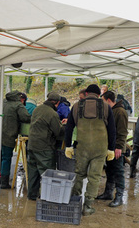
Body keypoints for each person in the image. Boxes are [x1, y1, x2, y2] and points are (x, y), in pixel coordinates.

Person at [64, 84, 116, 216]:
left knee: (79, 174)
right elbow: (112, 130)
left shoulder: (76, 106)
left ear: (86, 94)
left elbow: (69, 128)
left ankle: (75, 202)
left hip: (83, 147)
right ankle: (87, 206)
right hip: (100, 148)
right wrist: (111, 148)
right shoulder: (106, 107)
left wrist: (68, 146)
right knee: (94, 177)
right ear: (99, 95)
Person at [26, 92, 64, 200]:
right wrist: (64, 126)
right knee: (48, 174)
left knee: (33, 172)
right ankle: (47, 197)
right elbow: (57, 132)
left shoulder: (37, 109)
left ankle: (32, 195)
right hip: (44, 147)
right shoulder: (52, 114)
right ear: (57, 103)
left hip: (32, 145)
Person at [97, 91, 129, 207]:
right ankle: (108, 192)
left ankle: (119, 196)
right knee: (110, 170)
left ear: (108, 100)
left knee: (118, 171)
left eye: (103, 101)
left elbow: (122, 131)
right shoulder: (111, 111)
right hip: (110, 147)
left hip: (117, 148)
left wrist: (119, 147)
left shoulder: (120, 112)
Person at [0, 90, 31, 189]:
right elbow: (26, 117)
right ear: (21, 98)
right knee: (6, 158)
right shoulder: (18, 105)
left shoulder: (3, 102)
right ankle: (4, 183)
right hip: (9, 134)